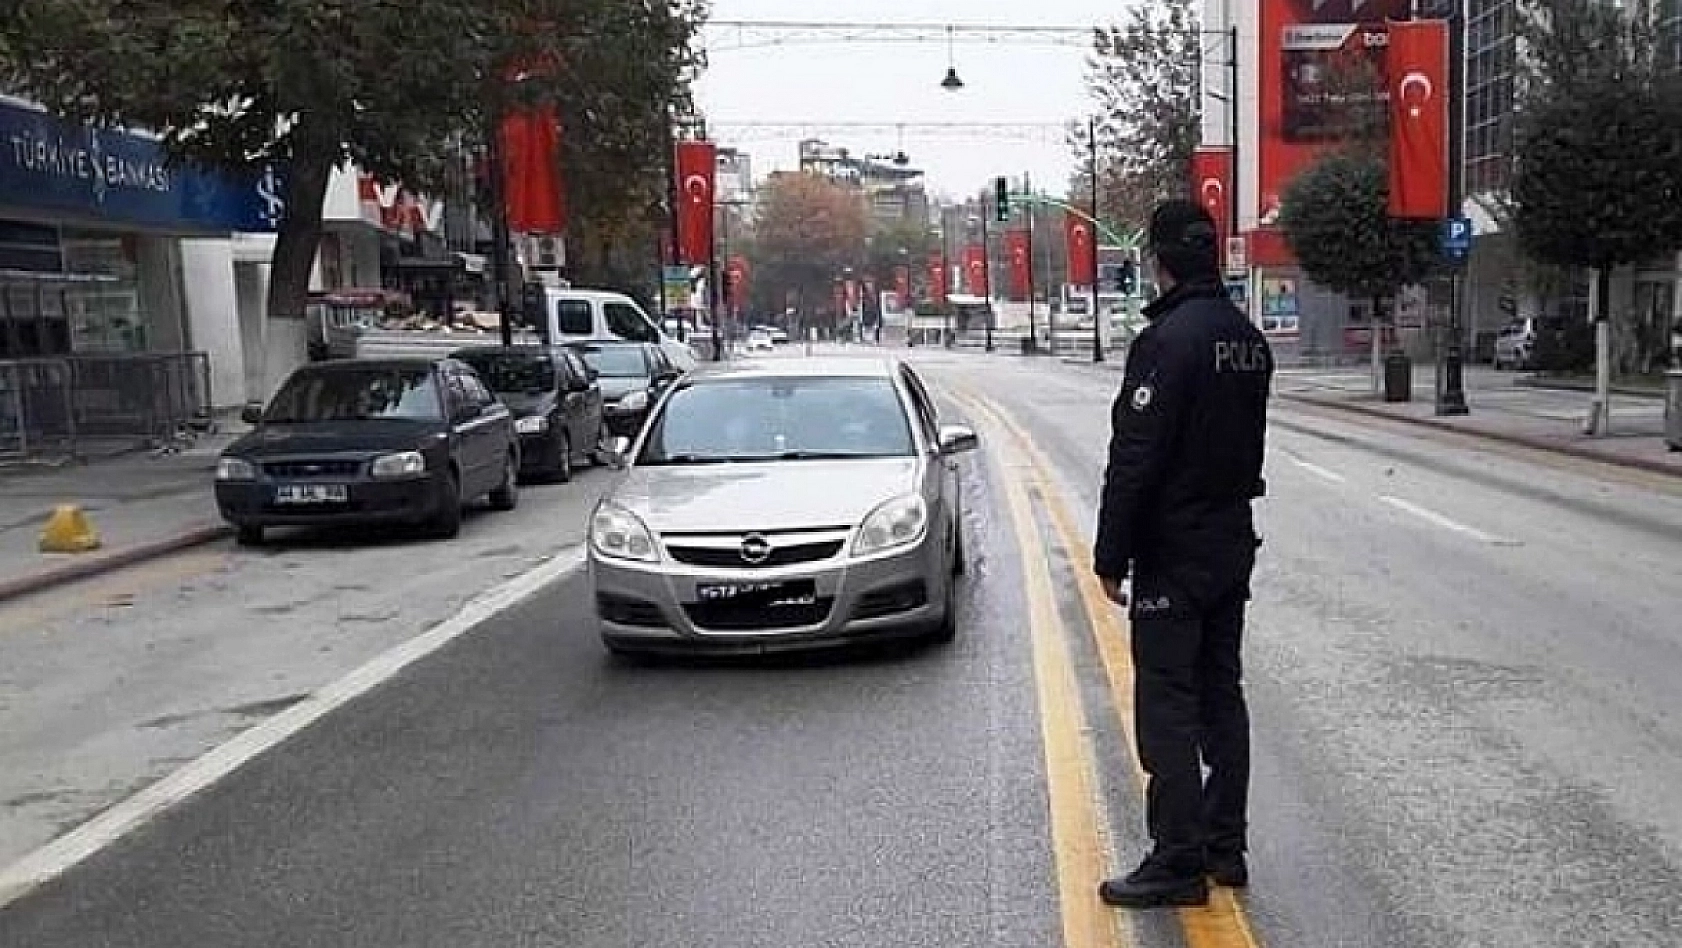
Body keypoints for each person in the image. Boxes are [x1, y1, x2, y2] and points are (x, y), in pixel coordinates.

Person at [1093, 199, 1274, 909]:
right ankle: (1225, 847)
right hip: (1231, 540)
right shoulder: (1246, 339)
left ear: (1159, 260)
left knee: (1167, 703)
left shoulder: (1168, 341)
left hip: (1176, 548)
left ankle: (1177, 860)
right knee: (1221, 694)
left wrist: (1112, 554)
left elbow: (1136, 456)